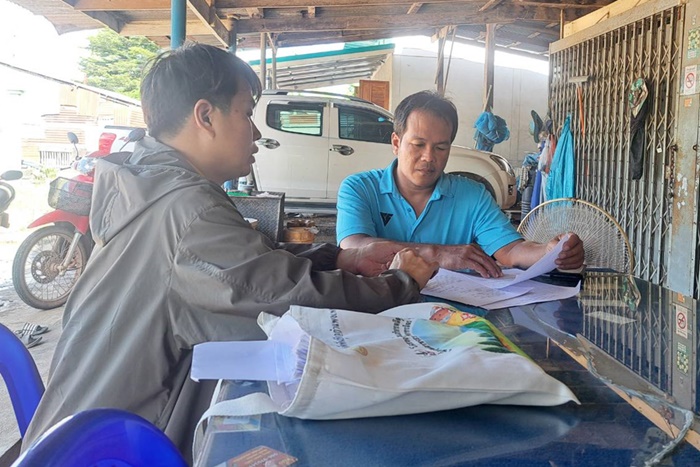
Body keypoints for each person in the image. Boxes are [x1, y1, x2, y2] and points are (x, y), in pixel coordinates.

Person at [22, 44, 437, 460]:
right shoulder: (189, 211)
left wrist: (336, 258)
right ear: (206, 116)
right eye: (246, 113)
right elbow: (291, 300)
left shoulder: (153, 187)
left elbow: (249, 270)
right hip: (114, 451)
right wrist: (401, 283)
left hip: (82, 433)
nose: (256, 133)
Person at [336, 90, 584, 278]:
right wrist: (438, 254)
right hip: (382, 312)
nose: (428, 157)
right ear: (396, 143)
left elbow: (510, 250)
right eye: (418, 145)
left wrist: (550, 252)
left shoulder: (472, 196)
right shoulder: (360, 189)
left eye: (440, 147)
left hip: (452, 319)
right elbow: (354, 248)